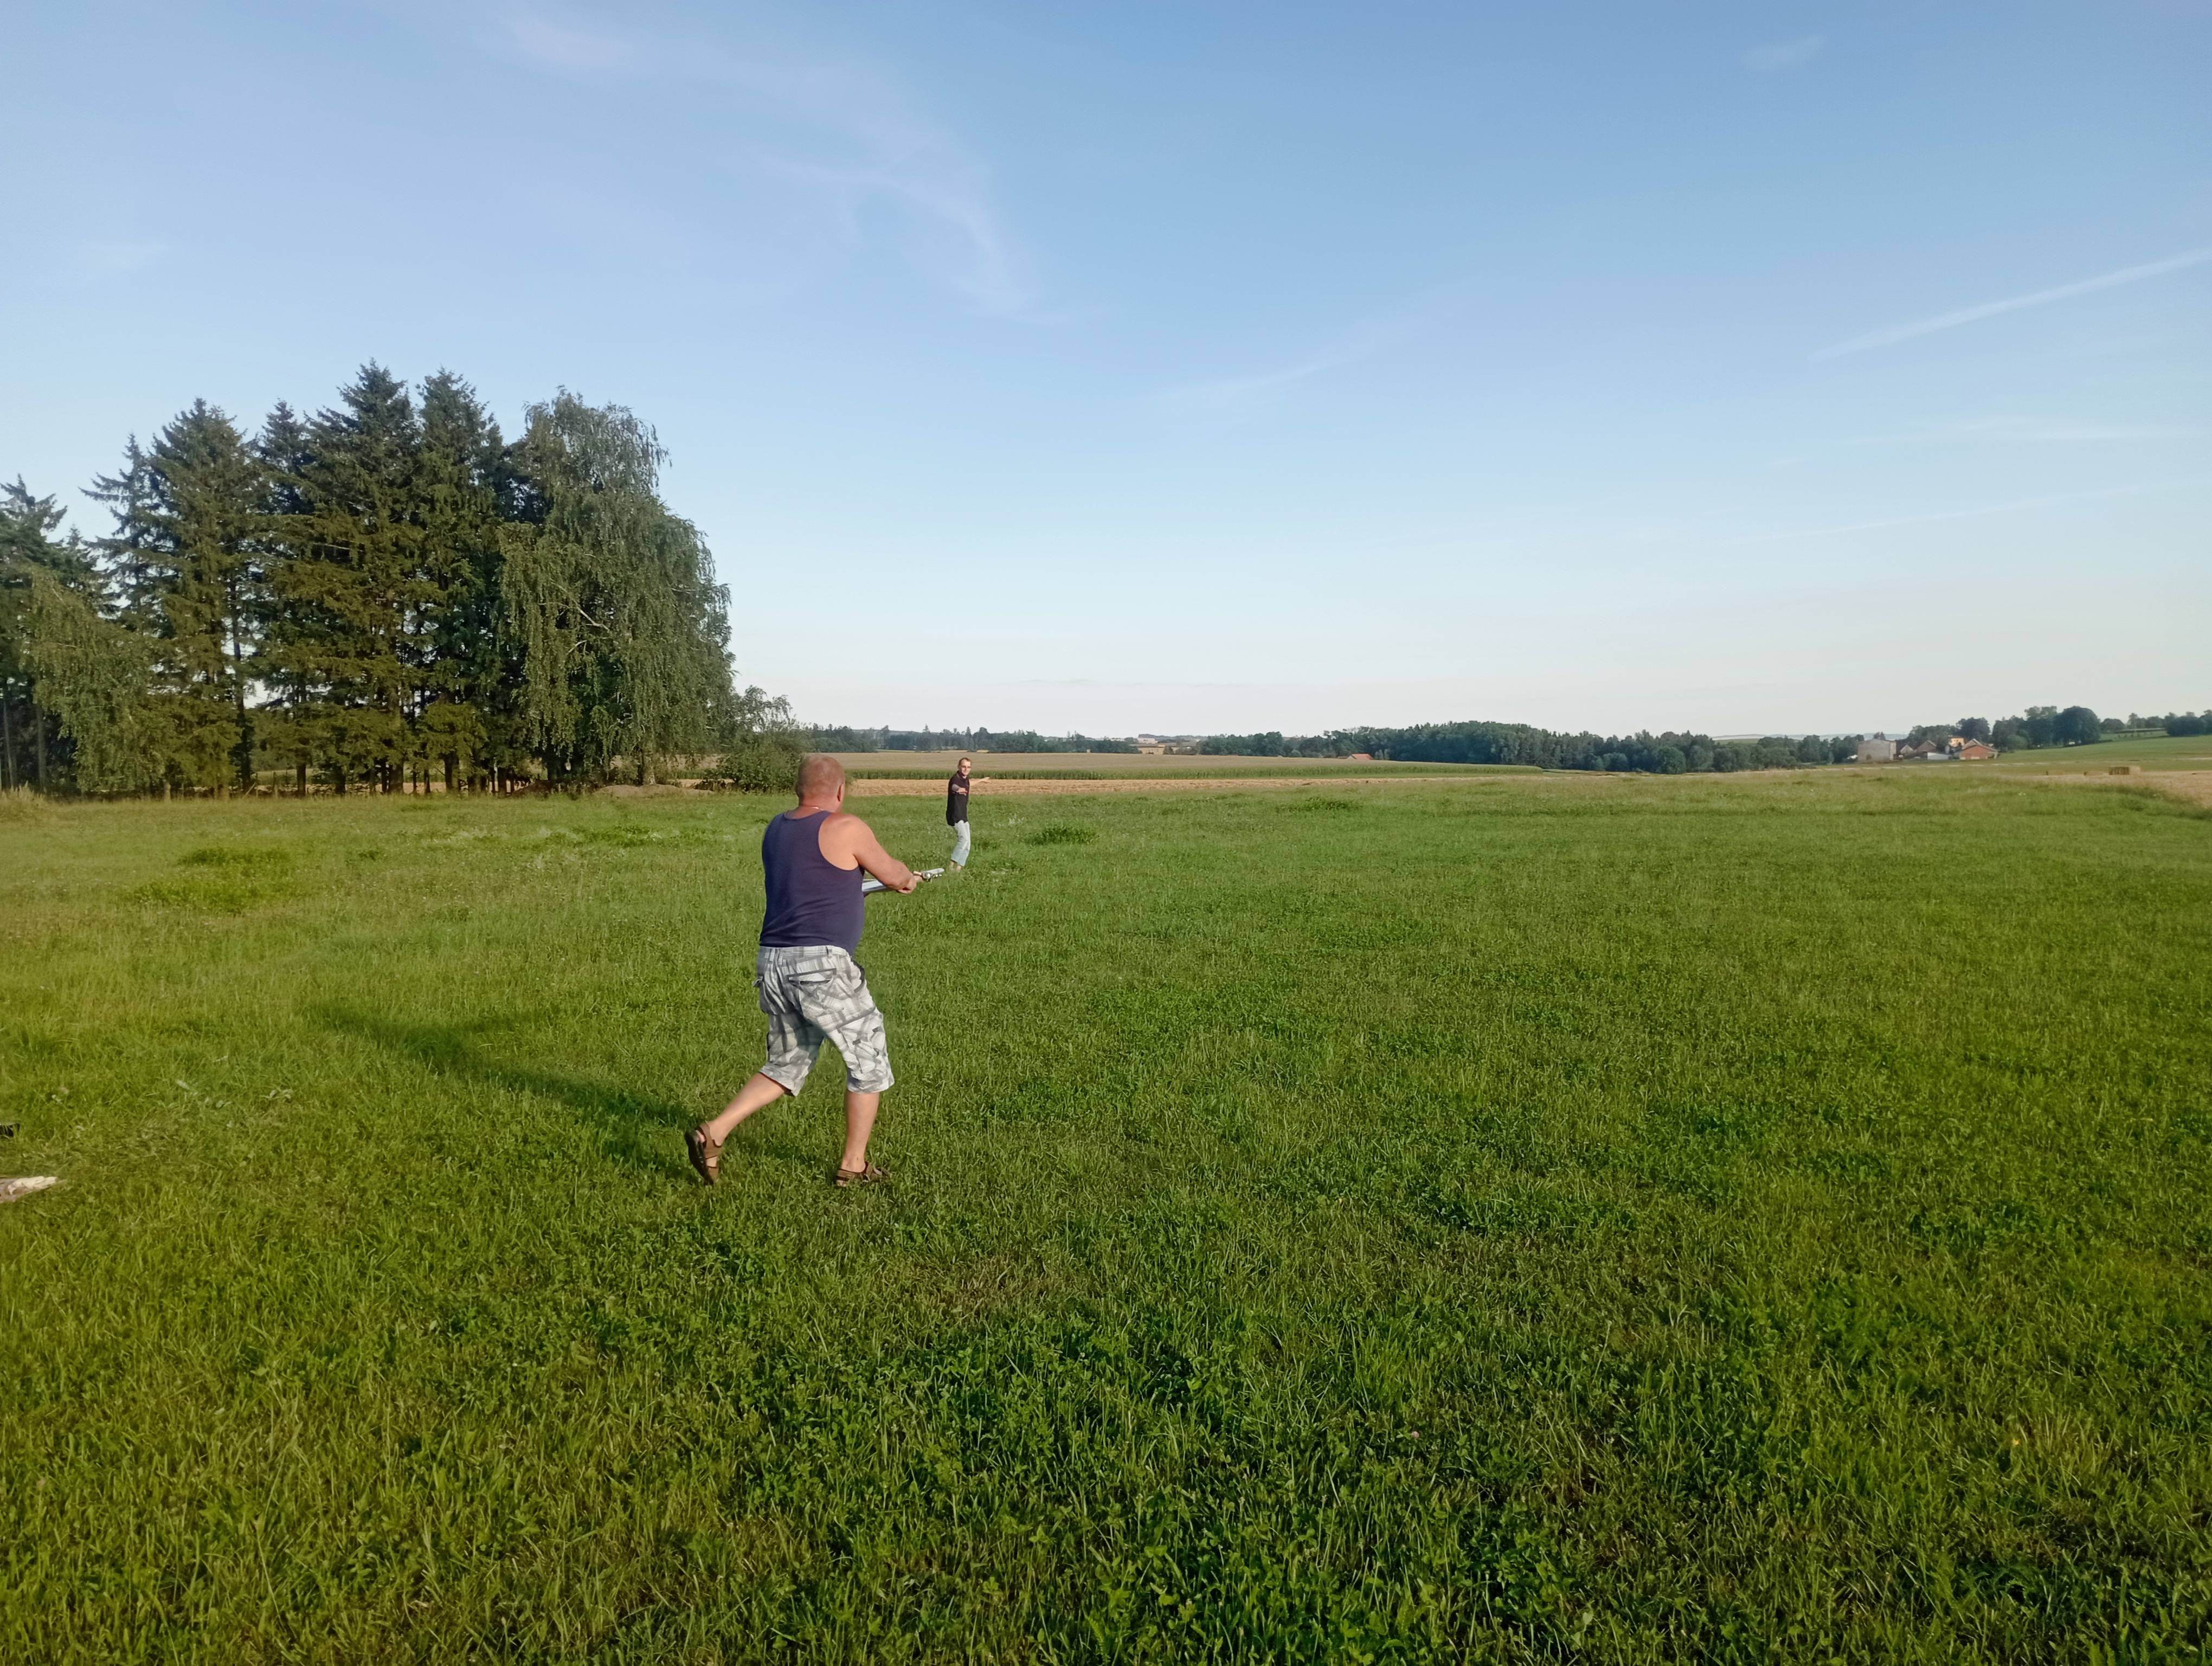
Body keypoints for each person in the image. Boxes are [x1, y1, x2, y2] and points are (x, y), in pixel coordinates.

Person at [689, 754, 918, 1189]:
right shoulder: (846, 827)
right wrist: (908, 878)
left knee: (788, 1062)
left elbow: (812, 884)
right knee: (869, 1060)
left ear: (798, 789)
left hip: (773, 961)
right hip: (821, 967)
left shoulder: (776, 828)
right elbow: (895, 875)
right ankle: (853, 1165)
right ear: (840, 790)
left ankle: (713, 1133)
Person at [947, 755, 974, 868]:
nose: (966, 769)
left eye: (968, 767)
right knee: (964, 840)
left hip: (963, 815)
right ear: (959, 767)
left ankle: (959, 869)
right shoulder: (955, 779)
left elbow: (969, 784)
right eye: (964, 767)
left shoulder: (965, 779)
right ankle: (951, 866)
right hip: (955, 815)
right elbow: (954, 786)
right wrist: (958, 789)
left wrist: (982, 781)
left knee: (968, 843)